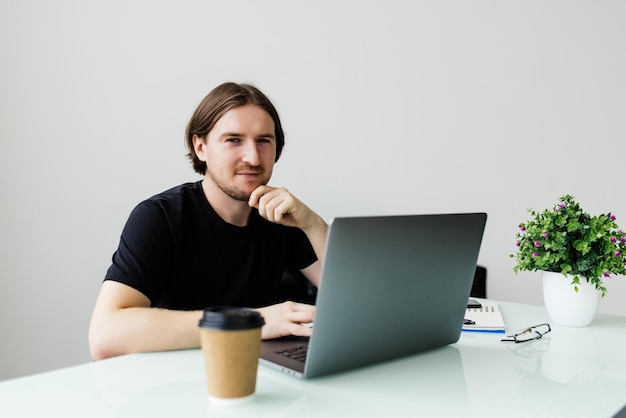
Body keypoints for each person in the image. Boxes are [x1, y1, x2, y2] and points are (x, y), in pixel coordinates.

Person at [89, 82, 328, 360]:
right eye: (234, 140)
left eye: (264, 140)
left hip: (256, 376)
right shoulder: (159, 217)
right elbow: (105, 336)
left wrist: (314, 224)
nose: (252, 156)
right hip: (175, 384)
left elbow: (358, 301)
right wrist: (251, 322)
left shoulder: (281, 217)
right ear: (200, 147)